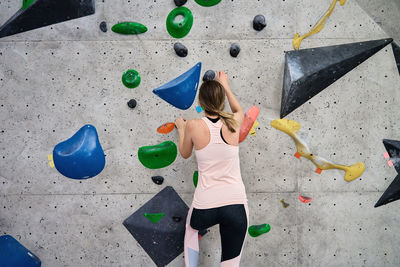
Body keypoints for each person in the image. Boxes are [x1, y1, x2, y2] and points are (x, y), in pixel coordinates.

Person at [175, 71, 249, 267]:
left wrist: (181, 129)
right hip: (236, 206)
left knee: (191, 231)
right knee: (231, 263)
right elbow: (237, 108)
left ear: (201, 101)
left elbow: (184, 153)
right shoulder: (234, 121)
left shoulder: (193, 125)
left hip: (205, 207)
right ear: (222, 100)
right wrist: (225, 84)